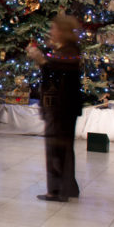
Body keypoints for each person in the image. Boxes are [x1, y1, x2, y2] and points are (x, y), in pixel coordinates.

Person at [27, 15, 83, 202]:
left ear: (63, 31)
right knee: (62, 148)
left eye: (55, 29)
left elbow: (59, 70)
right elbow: (53, 68)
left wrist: (42, 61)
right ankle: (69, 187)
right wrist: (42, 60)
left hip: (62, 107)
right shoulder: (61, 50)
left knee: (57, 148)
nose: (52, 32)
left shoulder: (70, 51)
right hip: (59, 107)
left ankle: (57, 190)